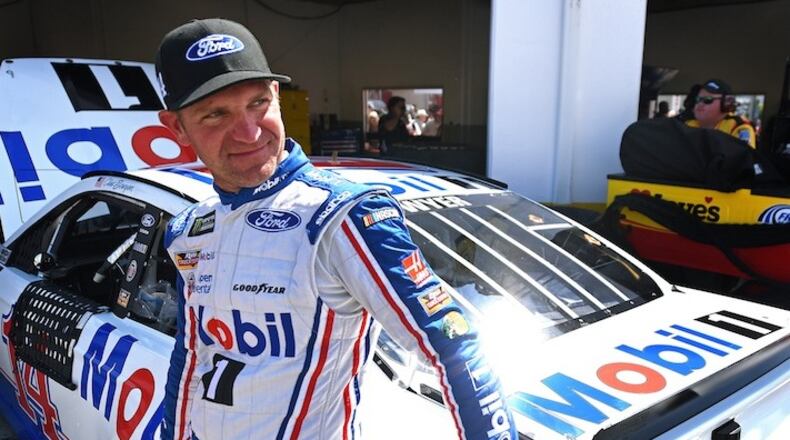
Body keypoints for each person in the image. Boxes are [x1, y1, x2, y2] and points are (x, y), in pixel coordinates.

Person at [155, 18, 517, 440]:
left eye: (257, 103)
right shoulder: (187, 231)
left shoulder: (344, 217)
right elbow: (191, 355)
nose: (250, 133)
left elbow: (455, 345)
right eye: (216, 114)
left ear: (276, 95)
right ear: (176, 127)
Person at [686, 79, 756, 148]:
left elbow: (743, 158)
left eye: (708, 99)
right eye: (698, 99)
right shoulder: (686, 125)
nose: (700, 104)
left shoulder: (739, 128)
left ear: (726, 103)